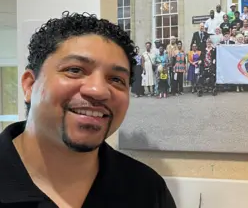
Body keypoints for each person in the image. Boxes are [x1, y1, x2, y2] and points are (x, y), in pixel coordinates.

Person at [0, 12, 176, 207]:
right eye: (75, 70)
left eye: (116, 79)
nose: (99, 91)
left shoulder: (147, 190)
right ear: (30, 85)